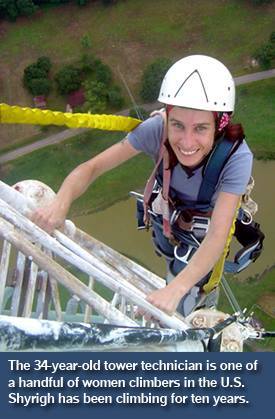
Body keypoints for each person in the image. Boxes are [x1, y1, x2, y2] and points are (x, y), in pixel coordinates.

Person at [31, 55, 253, 318]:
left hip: (204, 232)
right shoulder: (156, 130)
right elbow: (91, 168)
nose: (187, 141)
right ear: (167, 117)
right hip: (172, 221)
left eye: (201, 128)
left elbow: (218, 234)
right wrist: (61, 202)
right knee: (171, 258)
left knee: (193, 299)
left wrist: (177, 289)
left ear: (219, 126)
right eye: (177, 125)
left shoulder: (236, 157)